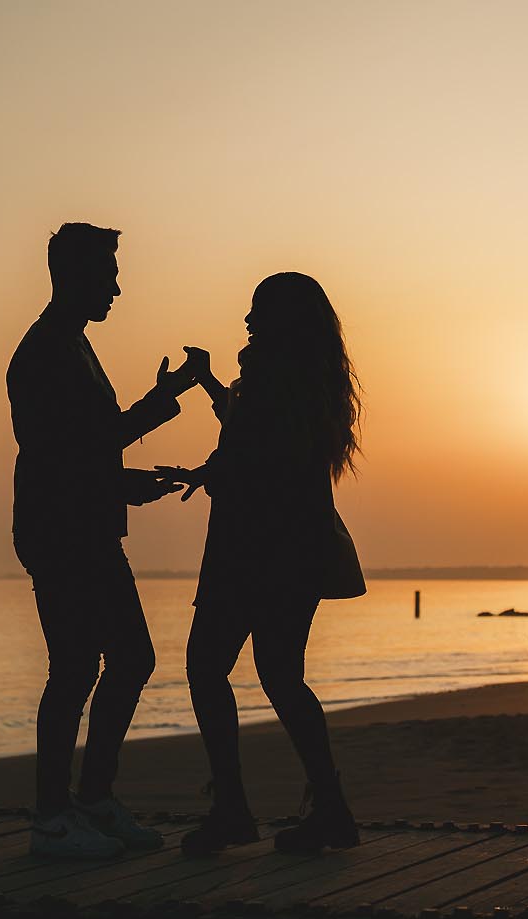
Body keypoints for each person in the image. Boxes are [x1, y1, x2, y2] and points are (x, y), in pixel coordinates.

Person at [7, 222, 202, 859]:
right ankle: (52, 818)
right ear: (73, 276)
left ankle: (90, 800)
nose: (117, 287)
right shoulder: (43, 352)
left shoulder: (74, 346)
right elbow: (64, 454)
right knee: (74, 671)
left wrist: (122, 481)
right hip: (61, 533)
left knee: (129, 659)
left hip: (85, 526)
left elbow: (85, 448)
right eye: (108, 274)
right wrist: (157, 411)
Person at [157, 272, 366, 855]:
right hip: (296, 550)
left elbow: (261, 456)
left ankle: (233, 810)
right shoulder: (303, 378)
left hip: (256, 549)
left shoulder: (276, 379)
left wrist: (205, 474)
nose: (246, 321)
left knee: (206, 668)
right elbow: (254, 430)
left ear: (283, 319)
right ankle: (329, 809)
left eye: (257, 311)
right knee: (280, 676)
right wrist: (207, 385)